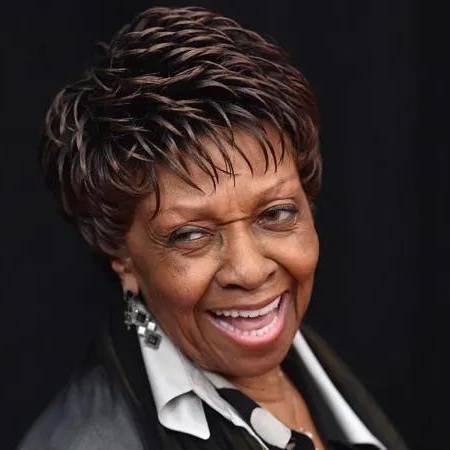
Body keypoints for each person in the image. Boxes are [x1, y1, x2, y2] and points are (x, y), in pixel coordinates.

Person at [19, 6, 407, 450]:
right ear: (120, 255)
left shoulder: (307, 355)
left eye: (276, 213)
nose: (250, 271)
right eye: (191, 235)